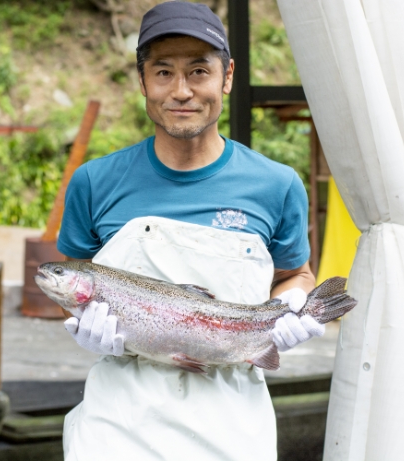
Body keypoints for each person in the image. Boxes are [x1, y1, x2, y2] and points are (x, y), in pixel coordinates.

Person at [57, 2, 325, 459]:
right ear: (143, 81)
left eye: (199, 71)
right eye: (163, 73)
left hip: (232, 421)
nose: (181, 91)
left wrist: (293, 305)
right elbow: (74, 276)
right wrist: (83, 325)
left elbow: (296, 273)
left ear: (227, 76)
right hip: (118, 427)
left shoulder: (277, 184)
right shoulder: (93, 183)